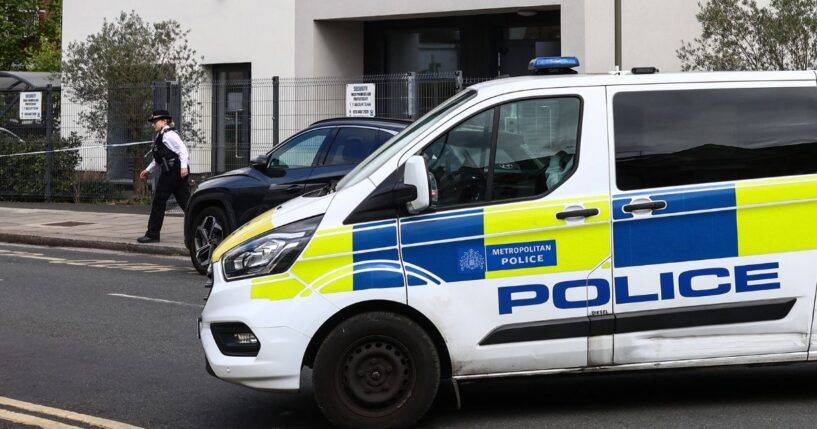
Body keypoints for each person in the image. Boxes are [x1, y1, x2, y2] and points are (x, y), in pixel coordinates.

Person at [137, 109, 190, 243]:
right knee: (186, 203)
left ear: (165, 121)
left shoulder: (169, 134)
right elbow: (159, 159)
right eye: (152, 122)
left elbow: (183, 150)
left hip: (173, 171)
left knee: (159, 201)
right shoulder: (161, 135)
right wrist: (148, 170)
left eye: (155, 121)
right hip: (173, 170)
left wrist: (183, 167)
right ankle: (200, 228)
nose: (153, 124)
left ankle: (152, 234)